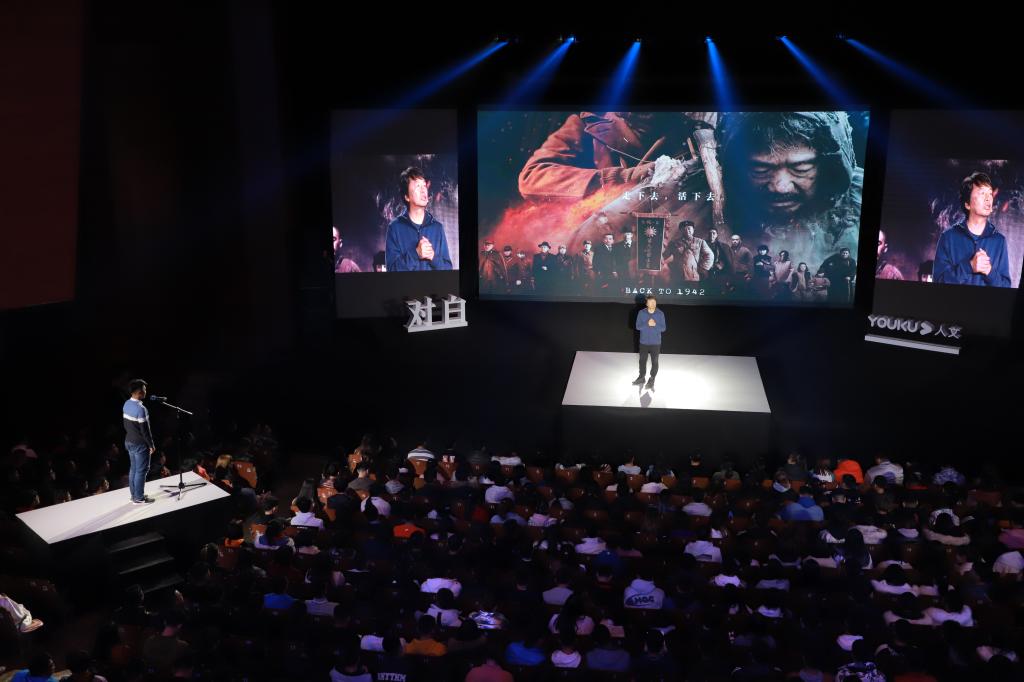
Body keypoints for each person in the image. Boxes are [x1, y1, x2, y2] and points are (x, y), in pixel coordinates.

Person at [933, 171, 1011, 287]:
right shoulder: (948, 238)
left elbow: (1006, 287)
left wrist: (989, 272)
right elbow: (938, 282)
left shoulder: (999, 241)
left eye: (990, 193)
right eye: (982, 193)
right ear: (967, 204)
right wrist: (969, 266)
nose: (988, 198)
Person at [384, 166, 452, 272]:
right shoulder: (394, 228)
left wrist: (433, 257)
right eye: (418, 186)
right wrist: (416, 253)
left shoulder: (437, 228)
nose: (423, 190)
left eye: (424, 185)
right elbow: (391, 270)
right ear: (407, 196)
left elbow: (448, 269)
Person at [122, 379, 155, 504]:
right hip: (140, 444)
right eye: (145, 389)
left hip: (129, 441)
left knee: (134, 469)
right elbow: (146, 431)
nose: (146, 391)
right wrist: (151, 445)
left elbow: (126, 425)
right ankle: (139, 498)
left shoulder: (126, 404)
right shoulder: (141, 409)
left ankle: (134, 495)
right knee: (141, 471)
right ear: (139, 392)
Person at [633, 294, 666, 391]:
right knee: (642, 361)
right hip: (643, 342)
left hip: (656, 343)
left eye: (654, 302)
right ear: (647, 303)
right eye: (651, 302)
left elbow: (663, 328)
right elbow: (638, 326)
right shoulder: (641, 313)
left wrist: (655, 325)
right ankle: (641, 377)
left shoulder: (660, 314)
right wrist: (647, 323)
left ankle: (652, 379)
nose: (653, 304)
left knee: (654, 362)